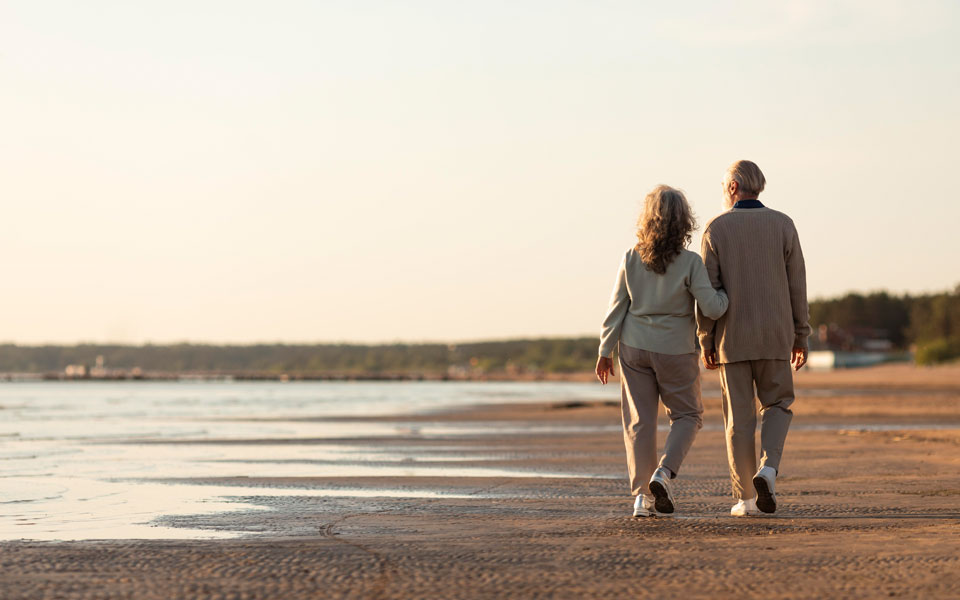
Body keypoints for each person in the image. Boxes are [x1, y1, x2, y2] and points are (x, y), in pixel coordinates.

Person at [596, 185, 728, 517]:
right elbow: (712, 308)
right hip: (675, 350)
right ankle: (664, 473)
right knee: (688, 416)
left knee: (640, 423)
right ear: (684, 221)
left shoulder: (631, 258)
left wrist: (604, 351)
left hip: (634, 347)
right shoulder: (690, 263)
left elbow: (616, 309)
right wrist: (726, 296)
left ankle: (642, 498)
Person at [697, 160, 810, 517]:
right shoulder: (783, 224)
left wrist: (706, 340)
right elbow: (798, 285)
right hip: (776, 335)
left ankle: (746, 499)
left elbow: (708, 292)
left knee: (739, 420)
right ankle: (769, 469)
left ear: (732, 187)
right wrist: (801, 334)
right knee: (777, 406)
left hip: (732, 340)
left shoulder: (716, 228)